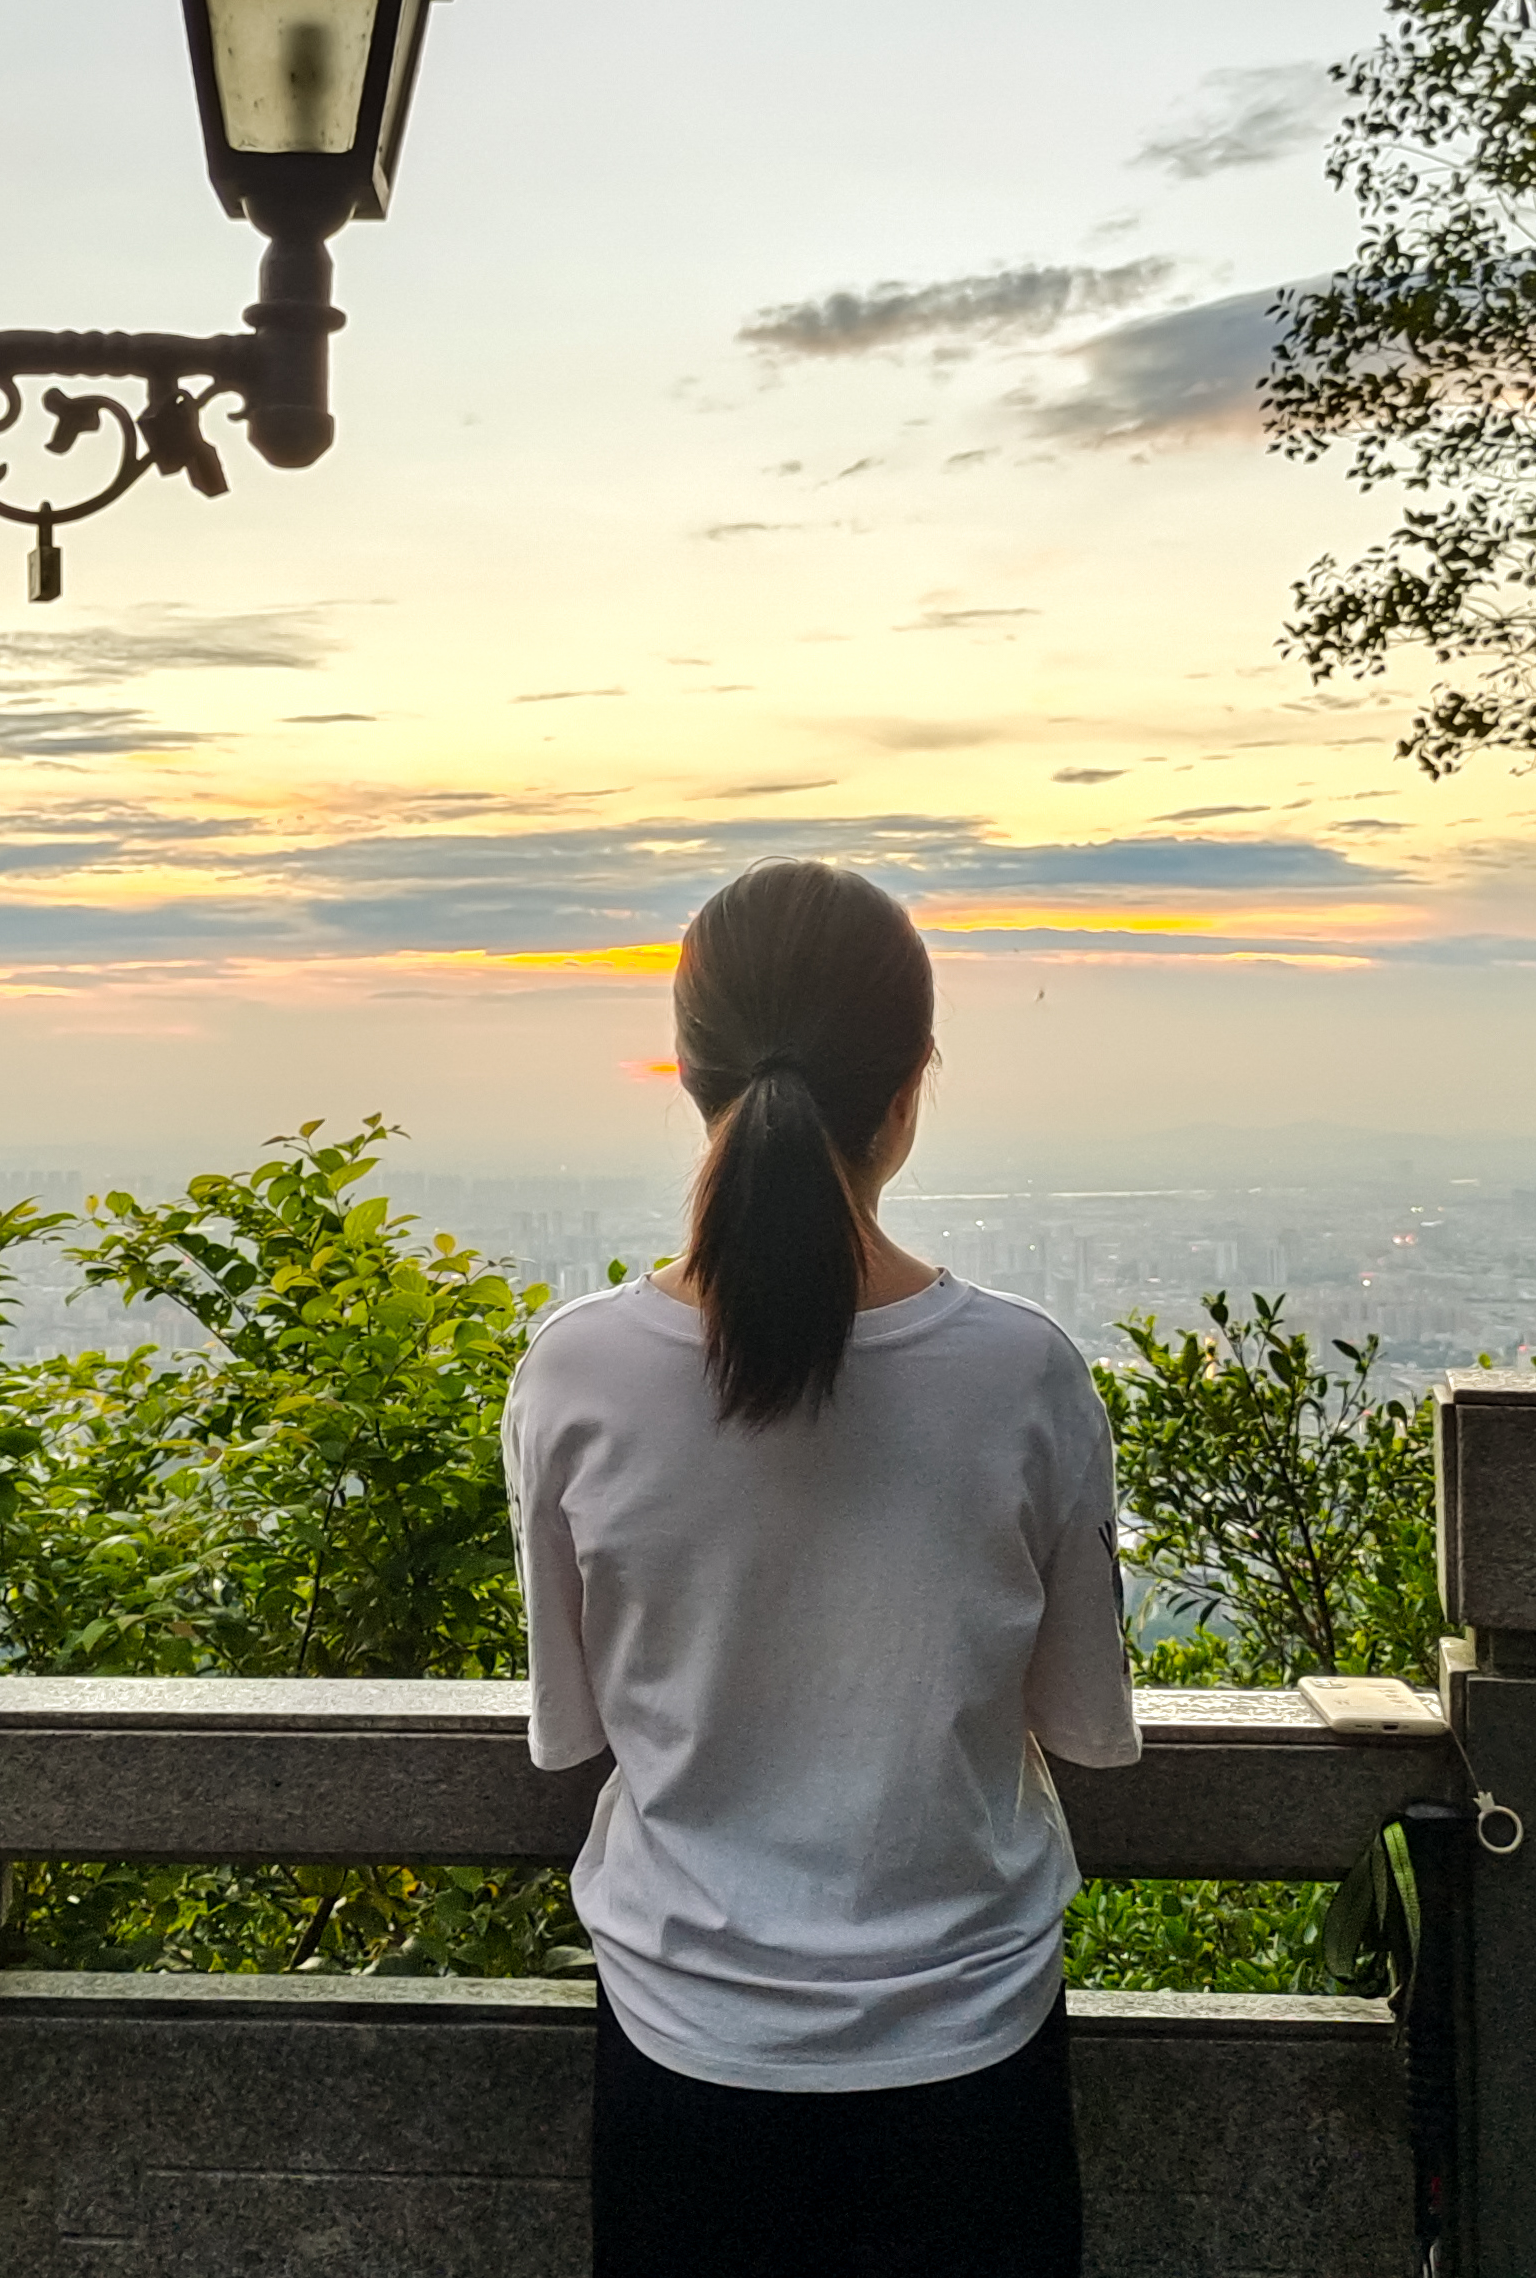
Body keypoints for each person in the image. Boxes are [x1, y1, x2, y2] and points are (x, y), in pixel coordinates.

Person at [500, 858, 1142, 2278]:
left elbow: (570, 1730)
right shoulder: (1024, 1375)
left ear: (687, 1071)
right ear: (912, 1085)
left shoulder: (578, 1375)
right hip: (970, 2061)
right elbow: (1088, 1728)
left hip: (685, 2059)